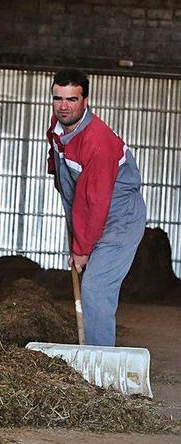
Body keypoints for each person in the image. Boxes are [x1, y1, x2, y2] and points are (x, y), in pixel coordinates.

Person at [46, 69, 146, 346]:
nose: (64, 106)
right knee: (91, 286)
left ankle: (98, 370)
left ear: (86, 101)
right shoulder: (59, 125)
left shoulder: (97, 142)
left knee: (95, 287)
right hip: (92, 207)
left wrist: (81, 250)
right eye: (58, 98)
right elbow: (60, 154)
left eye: (72, 99)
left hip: (119, 217)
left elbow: (95, 202)